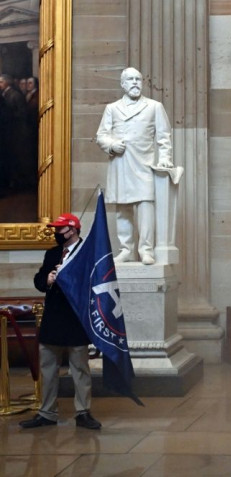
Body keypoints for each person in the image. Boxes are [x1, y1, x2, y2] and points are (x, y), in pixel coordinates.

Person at [19, 213, 101, 430]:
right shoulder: (53, 253)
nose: (56, 233)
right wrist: (48, 279)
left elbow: (95, 283)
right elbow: (39, 279)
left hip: (76, 317)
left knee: (80, 368)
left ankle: (83, 412)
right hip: (53, 317)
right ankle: (47, 413)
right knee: (48, 367)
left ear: (72, 230)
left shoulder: (87, 252)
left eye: (60, 229)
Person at [95, 67, 173, 265]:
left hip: (144, 163)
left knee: (146, 205)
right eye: (130, 79)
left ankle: (146, 249)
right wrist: (112, 145)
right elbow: (101, 135)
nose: (135, 83)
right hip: (120, 163)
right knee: (123, 208)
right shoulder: (112, 108)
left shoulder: (154, 106)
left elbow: (164, 137)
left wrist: (165, 158)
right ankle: (126, 249)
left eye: (138, 79)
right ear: (123, 84)